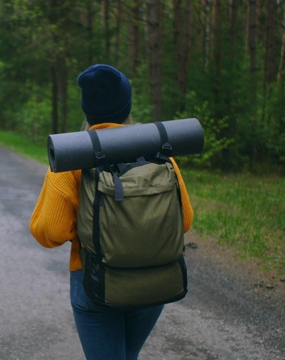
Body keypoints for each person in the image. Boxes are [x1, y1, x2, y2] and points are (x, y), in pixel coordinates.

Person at [29, 64, 194, 360]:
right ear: (126, 105)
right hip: (154, 282)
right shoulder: (155, 149)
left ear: (86, 108)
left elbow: (49, 232)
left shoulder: (73, 156)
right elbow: (185, 220)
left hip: (95, 283)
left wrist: (89, 228)